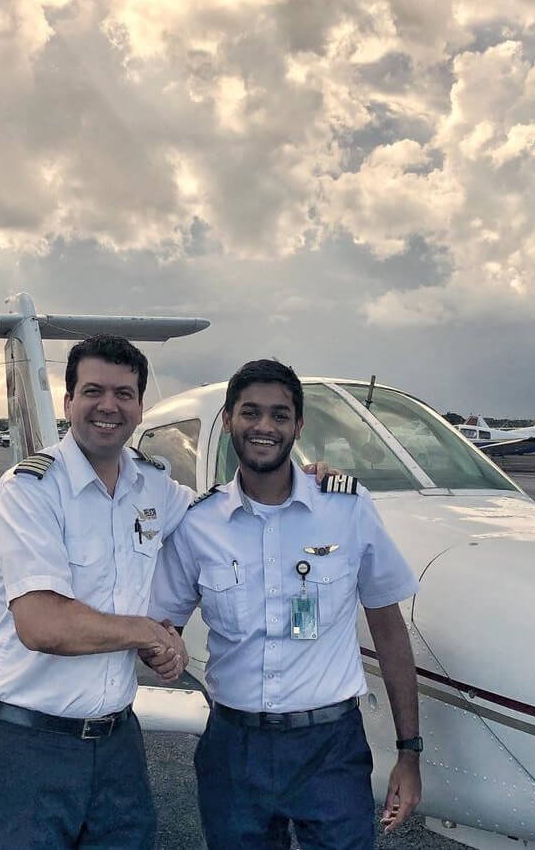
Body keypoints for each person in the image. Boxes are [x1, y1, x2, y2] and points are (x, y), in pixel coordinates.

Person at [0, 336, 334, 848]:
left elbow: (227, 512)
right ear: (68, 402)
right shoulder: (28, 489)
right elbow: (41, 624)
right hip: (27, 748)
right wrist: (149, 633)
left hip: (117, 749)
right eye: (93, 391)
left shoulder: (153, 486)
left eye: (124, 393)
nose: (108, 405)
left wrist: (303, 480)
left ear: (138, 408)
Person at [150, 359, 423, 849]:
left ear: (298, 426)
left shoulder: (347, 508)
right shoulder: (198, 523)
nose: (264, 427)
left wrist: (409, 751)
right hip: (234, 748)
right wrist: (162, 650)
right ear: (229, 419)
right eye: (250, 412)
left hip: (330, 749)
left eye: (280, 415)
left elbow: (388, 628)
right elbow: (160, 623)